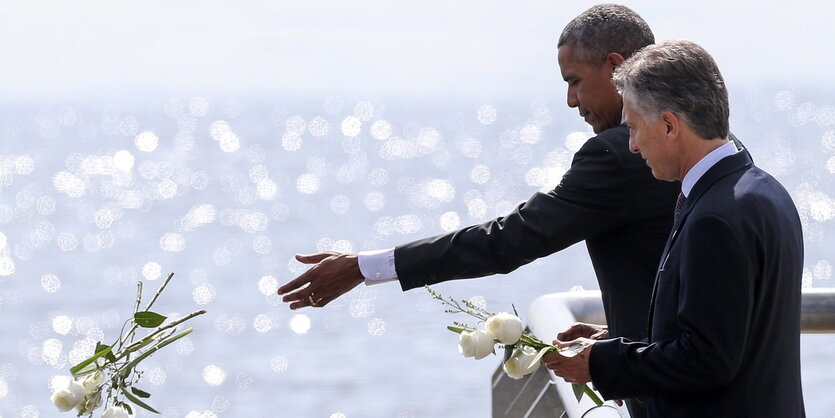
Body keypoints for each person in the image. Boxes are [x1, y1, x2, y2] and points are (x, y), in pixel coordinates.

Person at [543, 39, 805, 417]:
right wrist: (612, 346)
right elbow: (731, 336)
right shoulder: (765, 191)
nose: (631, 146)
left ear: (669, 125)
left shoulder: (714, 219)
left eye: (632, 128)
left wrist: (602, 365)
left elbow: (707, 360)